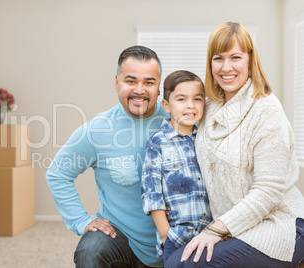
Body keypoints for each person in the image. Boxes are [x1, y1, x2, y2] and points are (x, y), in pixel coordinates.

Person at [165, 22, 304, 268]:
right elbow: (175, 111)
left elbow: (268, 191)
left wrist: (215, 230)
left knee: (194, 265)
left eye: (235, 57)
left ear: (250, 60)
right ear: (210, 63)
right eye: (218, 58)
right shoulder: (209, 107)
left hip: (278, 225)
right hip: (235, 225)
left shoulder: (266, 111)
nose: (226, 67)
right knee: (175, 262)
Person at [46, 45, 169, 267]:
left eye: (149, 82)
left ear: (159, 87)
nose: (139, 90)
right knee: (90, 252)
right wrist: (81, 221)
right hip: (121, 238)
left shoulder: (180, 119)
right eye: (130, 81)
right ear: (116, 83)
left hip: (174, 239)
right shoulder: (97, 130)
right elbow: (57, 173)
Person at [141, 70, 212, 265]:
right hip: (178, 237)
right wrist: (167, 236)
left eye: (197, 99)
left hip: (210, 235)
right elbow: (152, 196)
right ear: (167, 105)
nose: (190, 105)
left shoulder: (207, 139)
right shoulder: (158, 144)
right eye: (181, 99)